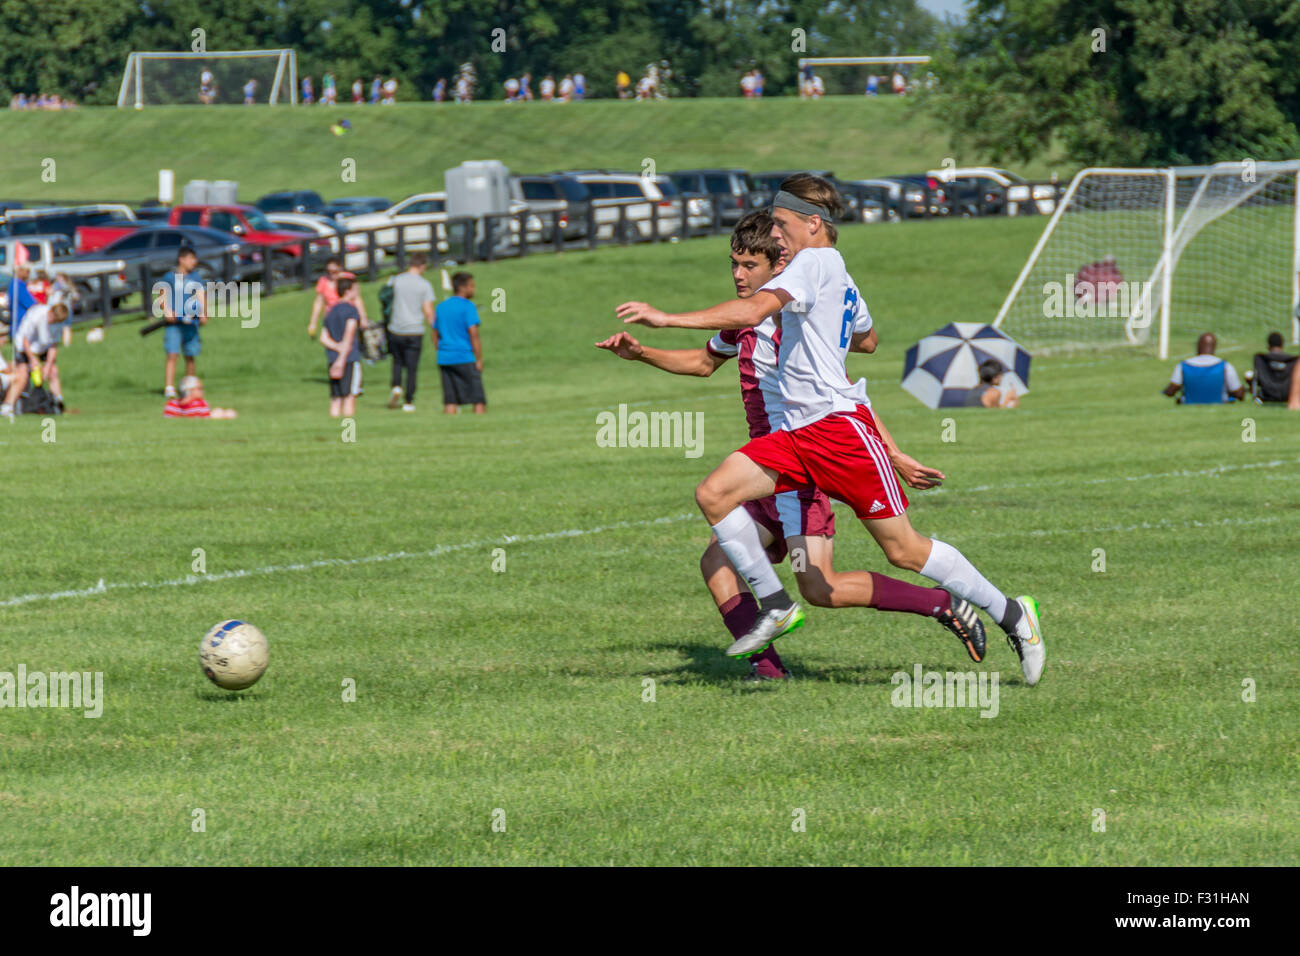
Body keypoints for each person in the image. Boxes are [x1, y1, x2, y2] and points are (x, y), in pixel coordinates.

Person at [616, 173, 1045, 685]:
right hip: (795, 439)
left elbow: (767, 316)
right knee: (715, 495)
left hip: (838, 433)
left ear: (811, 224)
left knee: (904, 550)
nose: (776, 236)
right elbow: (866, 340)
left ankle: (1013, 614)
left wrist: (663, 318)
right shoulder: (828, 276)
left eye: (780, 226)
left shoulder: (815, 262)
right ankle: (774, 610)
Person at [1, 301, 69, 419]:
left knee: (53, 371)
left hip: (43, 347)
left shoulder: (58, 322)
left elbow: (54, 345)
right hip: (25, 346)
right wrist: (32, 359)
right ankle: (10, 405)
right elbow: (25, 340)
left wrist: (47, 365)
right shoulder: (37, 315)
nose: (54, 322)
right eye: (53, 319)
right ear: (51, 312)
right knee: (23, 373)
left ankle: (58, 402)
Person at [386, 253, 435, 411]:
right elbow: (428, 311)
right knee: (412, 367)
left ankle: (396, 385)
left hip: (396, 327)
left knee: (397, 361)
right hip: (414, 330)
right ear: (422, 266)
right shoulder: (424, 284)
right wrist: (435, 328)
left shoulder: (396, 280)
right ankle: (409, 401)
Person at [157, 246, 207, 399]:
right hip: (174, 324)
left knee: (190, 354)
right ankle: (169, 387)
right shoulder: (169, 277)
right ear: (182, 259)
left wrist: (203, 313)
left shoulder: (196, 278)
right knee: (172, 354)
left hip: (191, 323)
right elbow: (162, 297)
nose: (194, 262)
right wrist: (167, 311)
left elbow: (200, 296)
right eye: (191, 258)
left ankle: (190, 386)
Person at [433, 272, 485, 414]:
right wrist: (479, 358)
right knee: (478, 398)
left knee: (450, 400)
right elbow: (473, 334)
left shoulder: (440, 307)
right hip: (464, 356)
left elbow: (435, 335)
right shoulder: (468, 306)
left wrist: (441, 351)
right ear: (462, 287)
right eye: (471, 286)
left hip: (445, 358)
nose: (474, 289)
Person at [319, 278, 362, 417]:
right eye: (356, 289)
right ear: (348, 291)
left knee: (336, 396)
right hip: (348, 358)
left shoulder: (330, 311)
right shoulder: (351, 311)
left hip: (332, 357)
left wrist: (336, 349)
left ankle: (334, 423)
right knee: (349, 395)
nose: (358, 292)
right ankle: (348, 428)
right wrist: (341, 359)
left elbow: (323, 338)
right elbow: (348, 337)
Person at [1163, 332, 1245, 404]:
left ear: (1198, 346)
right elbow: (1238, 393)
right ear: (1214, 347)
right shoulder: (1226, 366)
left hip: (1188, 403)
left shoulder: (1183, 366)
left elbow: (1171, 391)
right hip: (1220, 402)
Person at [307, 257, 369, 337]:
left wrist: (363, 317)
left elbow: (357, 298)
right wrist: (313, 322)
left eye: (334, 272)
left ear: (340, 269)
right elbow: (318, 302)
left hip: (348, 314)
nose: (331, 274)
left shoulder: (349, 279)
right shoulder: (323, 281)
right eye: (329, 272)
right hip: (332, 316)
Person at [164, 375, 236, 418]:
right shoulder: (172, 405)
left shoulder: (202, 404)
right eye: (199, 388)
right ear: (189, 390)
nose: (202, 391)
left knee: (224, 412)